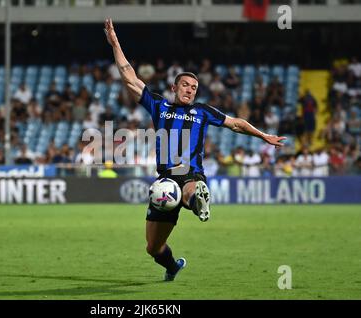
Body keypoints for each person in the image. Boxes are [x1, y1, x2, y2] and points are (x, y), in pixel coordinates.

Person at [104, 18, 286, 281]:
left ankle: (197, 200)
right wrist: (114, 42)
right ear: (174, 88)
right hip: (165, 180)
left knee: (189, 188)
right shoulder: (159, 107)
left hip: (191, 173)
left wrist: (262, 135)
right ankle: (172, 266)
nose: (190, 90)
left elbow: (235, 124)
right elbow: (129, 76)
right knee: (153, 247)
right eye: (185, 85)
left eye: (194, 87)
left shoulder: (202, 112)